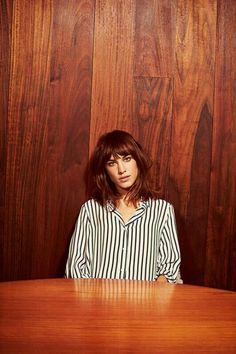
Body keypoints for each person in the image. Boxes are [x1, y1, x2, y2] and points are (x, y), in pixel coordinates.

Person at [65, 130, 182, 283]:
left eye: (127, 159)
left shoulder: (162, 211)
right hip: (97, 303)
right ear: (105, 171)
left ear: (137, 161)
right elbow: (75, 268)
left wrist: (153, 300)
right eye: (112, 163)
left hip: (145, 304)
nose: (121, 170)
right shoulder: (91, 210)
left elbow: (169, 268)